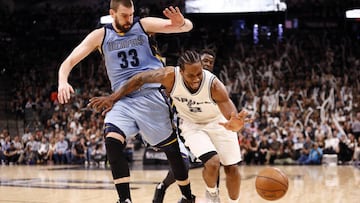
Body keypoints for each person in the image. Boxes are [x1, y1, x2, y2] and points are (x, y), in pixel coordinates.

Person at [57, 0, 195, 202]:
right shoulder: (100, 36)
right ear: (112, 13)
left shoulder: (143, 25)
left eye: (131, 14)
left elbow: (185, 27)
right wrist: (62, 81)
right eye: (124, 15)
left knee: (172, 151)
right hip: (122, 99)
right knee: (112, 140)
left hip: (151, 94)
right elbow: (68, 61)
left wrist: (182, 22)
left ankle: (187, 196)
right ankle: (125, 200)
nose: (129, 19)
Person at [89, 50, 248, 203]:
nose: (196, 79)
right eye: (190, 75)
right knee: (212, 162)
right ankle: (212, 195)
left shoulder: (214, 85)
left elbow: (231, 114)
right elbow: (139, 79)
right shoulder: (169, 76)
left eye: (199, 74)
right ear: (181, 71)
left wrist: (234, 123)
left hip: (217, 122)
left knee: (231, 168)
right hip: (192, 125)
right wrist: (113, 98)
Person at [152, 48, 217, 203]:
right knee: (184, 163)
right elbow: (161, 103)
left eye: (210, 62)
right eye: (204, 61)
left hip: (200, 129)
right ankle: (164, 188)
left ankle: (195, 197)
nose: (207, 64)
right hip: (179, 129)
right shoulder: (176, 80)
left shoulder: (212, 83)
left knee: (213, 162)